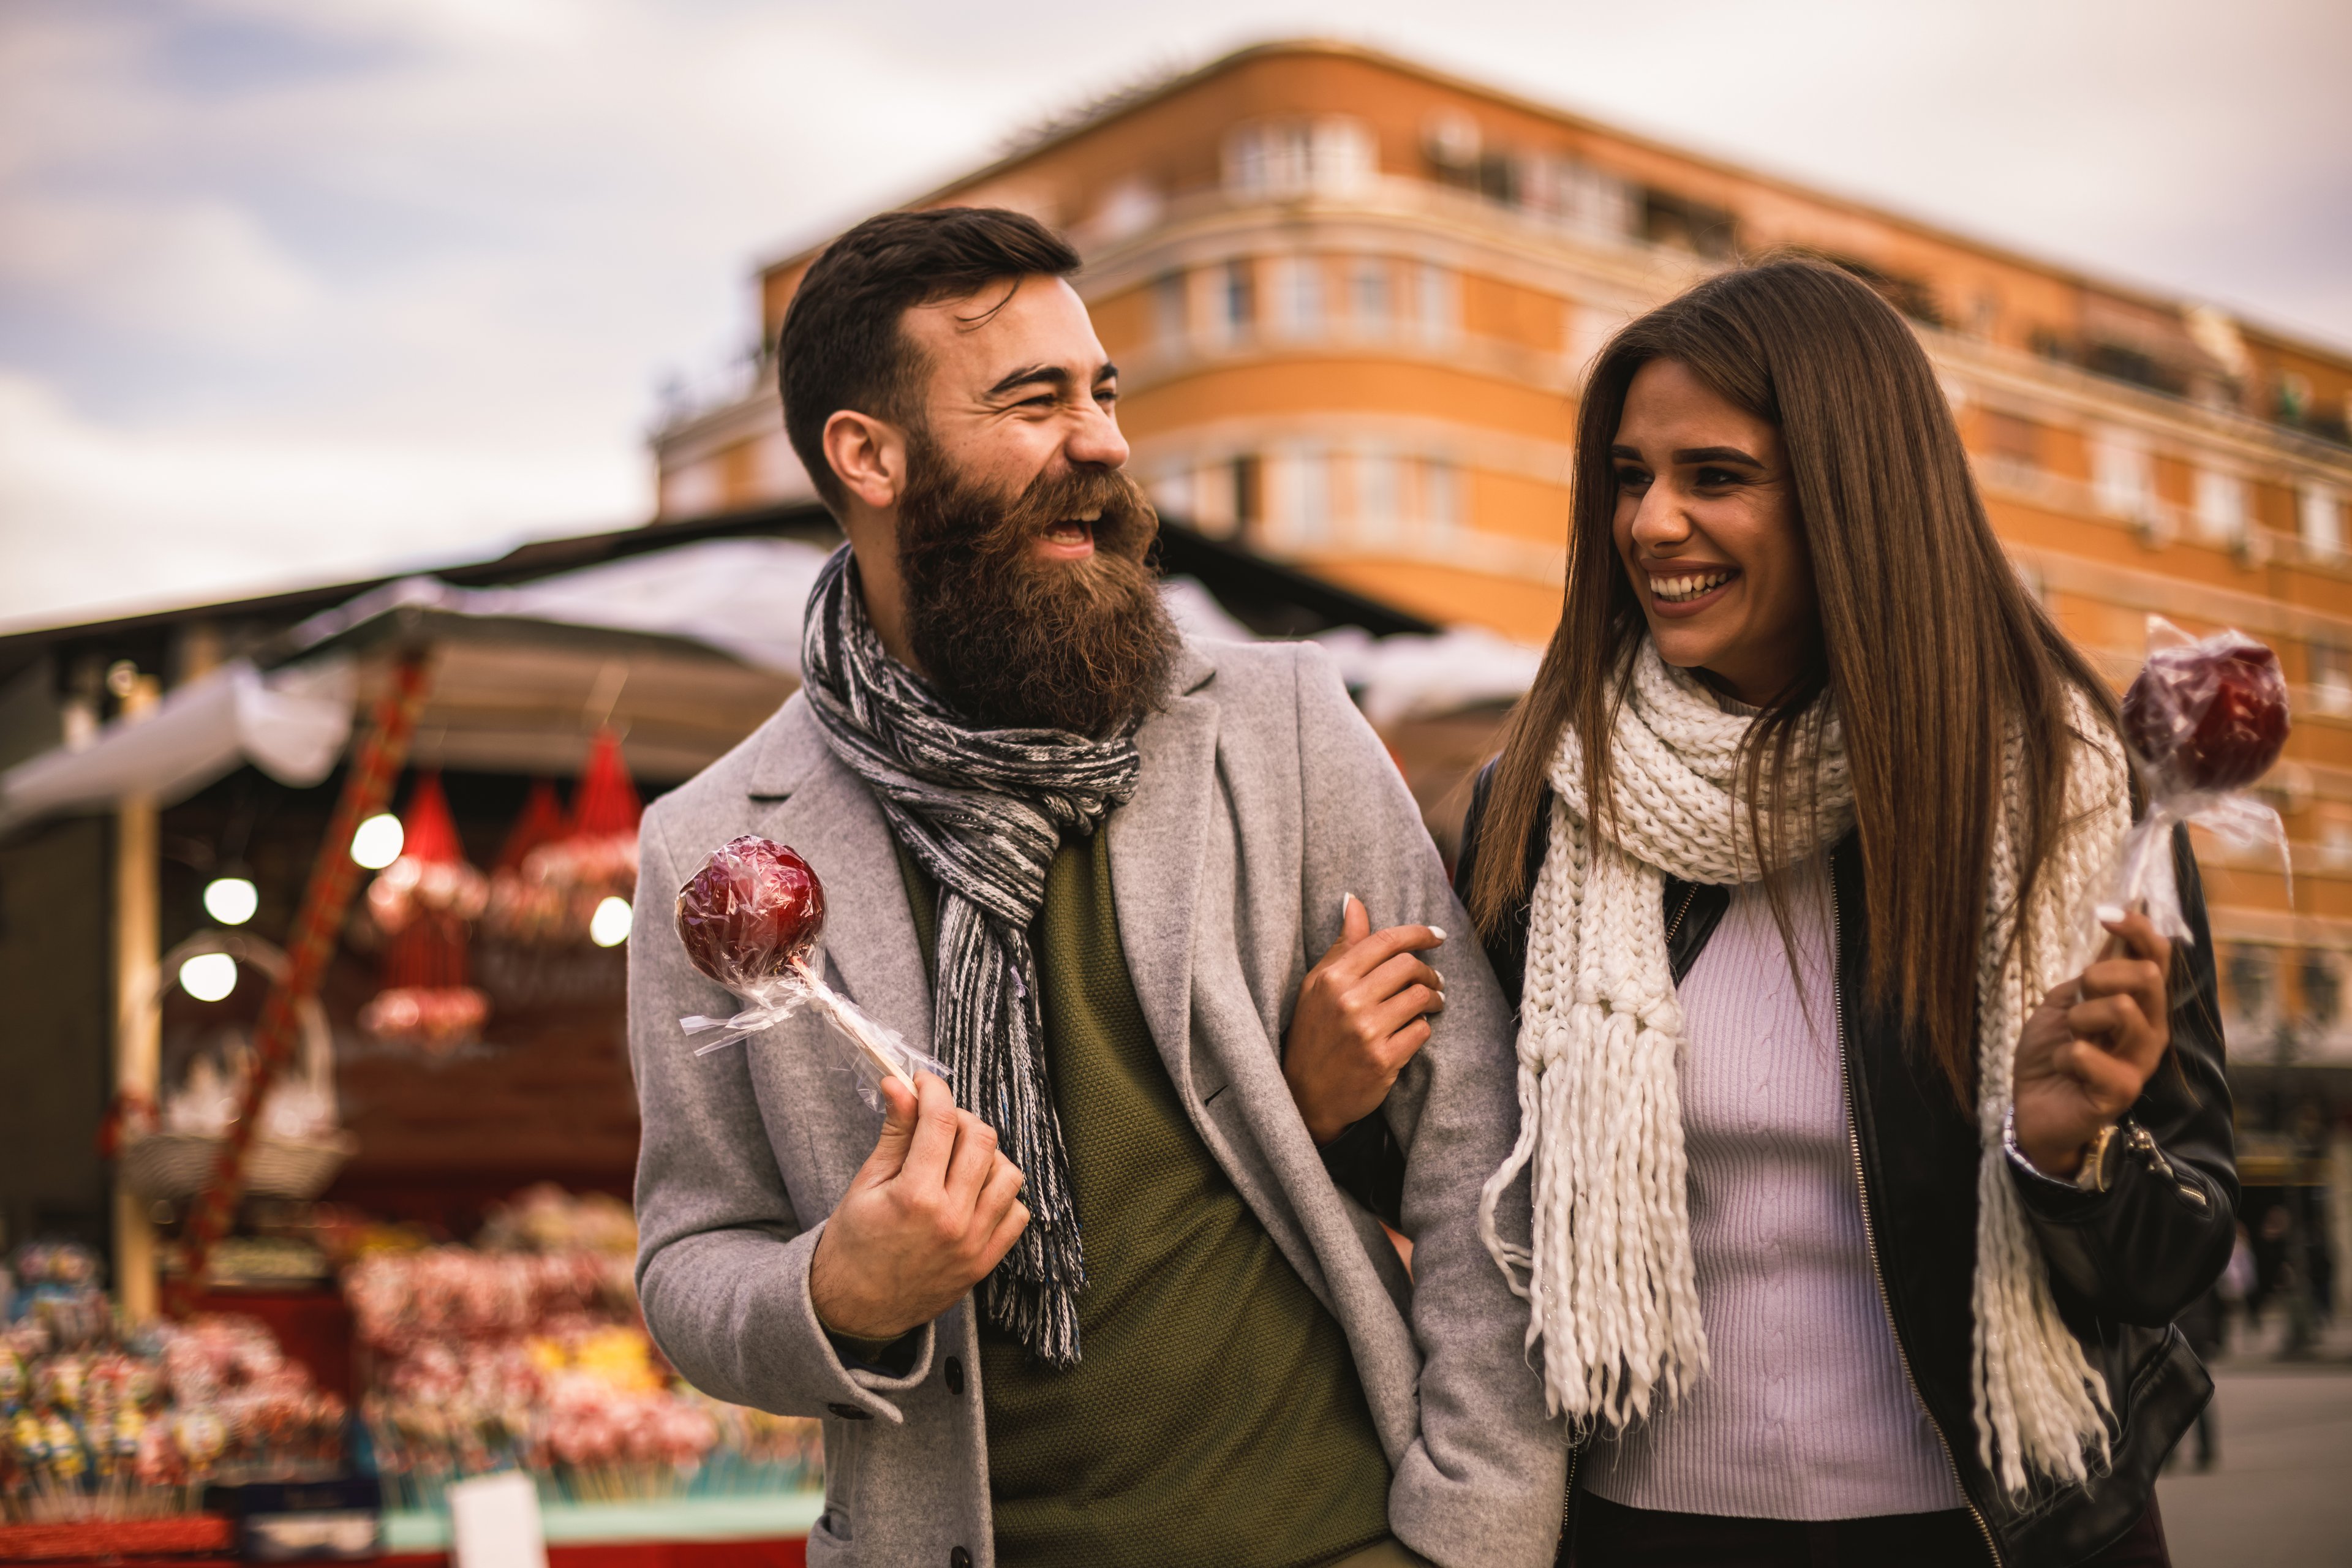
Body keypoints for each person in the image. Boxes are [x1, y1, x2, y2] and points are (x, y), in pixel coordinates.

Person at [626, 207, 1564, 1568]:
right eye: (1035, 398)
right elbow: (690, 1257)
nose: (1104, 441)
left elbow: (1479, 1151)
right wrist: (842, 1284)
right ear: (869, 453)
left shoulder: (1280, 724)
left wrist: (1474, 1534)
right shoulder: (713, 843)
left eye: (1103, 391)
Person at [1301, 258, 2237, 1567]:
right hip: (1645, 1530)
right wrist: (1335, 1104)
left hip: (1992, 1527)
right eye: (1630, 477)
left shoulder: (2069, 798)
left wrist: (2058, 1154)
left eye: (1716, 476)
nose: (1651, 523)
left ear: (1855, 492)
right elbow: (1472, 1194)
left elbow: (2180, 1246)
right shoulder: (1545, 796)